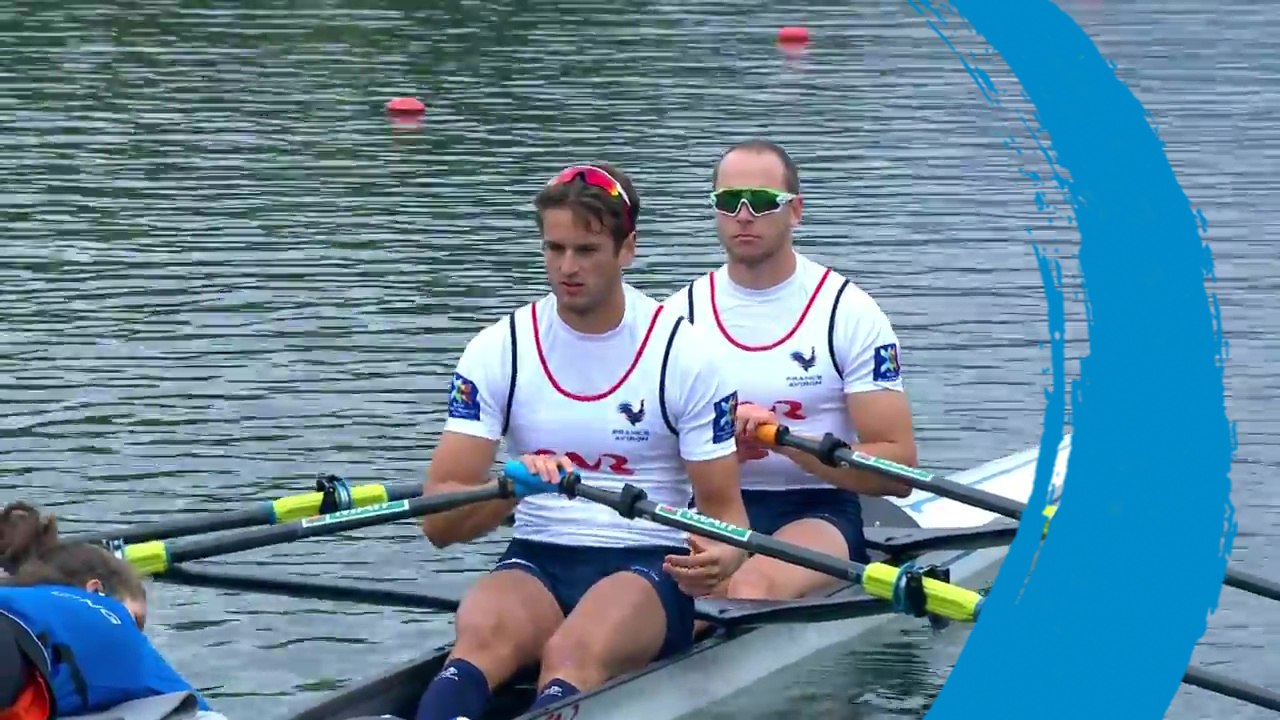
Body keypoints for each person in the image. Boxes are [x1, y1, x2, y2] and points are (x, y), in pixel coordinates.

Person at [415, 161, 750, 720]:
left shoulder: (686, 356)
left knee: (572, 653)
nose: (567, 268)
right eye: (555, 249)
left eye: (587, 251)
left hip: (648, 561)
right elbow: (439, 524)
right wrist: (510, 489)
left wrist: (726, 555)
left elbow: (727, 517)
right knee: (478, 641)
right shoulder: (499, 349)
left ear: (627, 249)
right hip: (537, 556)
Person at [662, 139, 919, 602]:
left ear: (795, 211)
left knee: (742, 588)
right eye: (729, 201)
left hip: (817, 509)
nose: (743, 215)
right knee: (657, 589)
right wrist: (721, 447)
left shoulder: (848, 313)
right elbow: (644, 453)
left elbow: (898, 469)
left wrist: (784, 440)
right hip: (709, 506)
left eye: (761, 202)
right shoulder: (678, 318)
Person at [0, 502, 220, 720]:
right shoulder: (108, 615)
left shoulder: (23, 600)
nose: (138, 637)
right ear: (96, 590)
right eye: (135, 621)